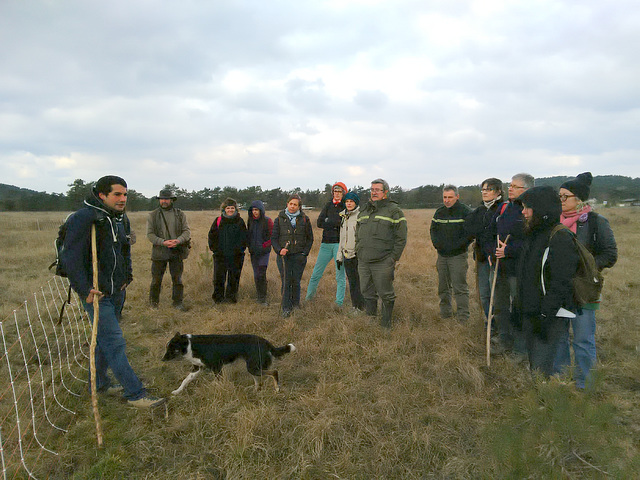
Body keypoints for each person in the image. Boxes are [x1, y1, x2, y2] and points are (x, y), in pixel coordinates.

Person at [61, 175, 165, 408]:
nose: (122, 199)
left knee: (104, 341)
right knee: (115, 342)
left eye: (125, 194)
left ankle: (98, 384)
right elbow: (71, 258)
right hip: (96, 293)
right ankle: (135, 394)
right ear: (101, 195)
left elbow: (124, 249)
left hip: (117, 290)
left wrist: (127, 276)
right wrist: (84, 288)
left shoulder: (119, 218)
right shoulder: (85, 218)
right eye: (117, 194)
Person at [554, 172, 617, 389]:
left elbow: (610, 255)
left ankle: (585, 387)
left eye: (565, 196)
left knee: (582, 339)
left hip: (583, 289)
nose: (560, 200)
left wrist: (585, 267)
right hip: (559, 289)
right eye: (559, 196)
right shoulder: (554, 222)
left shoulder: (596, 222)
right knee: (559, 337)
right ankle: (560, 382)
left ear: (578, 198)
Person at [516, 186, 579, 377]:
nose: (523, 212)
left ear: (542, 210)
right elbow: (527, 277)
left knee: (544, 367)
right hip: (531, 313)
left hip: (547, 317)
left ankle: (547, 402)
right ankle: (540, 399)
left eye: (528, 207)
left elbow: (561, 283)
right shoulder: (532, 236)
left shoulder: (559, 238)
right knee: (536, 364)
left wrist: (545, 315)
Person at [490, 173, 534, 357]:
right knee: (500, 305)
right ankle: (504, 339)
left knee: (518, 307)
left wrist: (508, 251)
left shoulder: (530, 211)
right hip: (501, 268)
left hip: (519, 270)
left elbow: (531, 242)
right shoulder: (506, 208)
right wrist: (494, 251)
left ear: (527, 190)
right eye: (510, 185)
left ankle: (521, 348)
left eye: (515, 186)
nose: (510, 189)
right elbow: (497, 234)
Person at [356, 179, 407, 328]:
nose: (374, 192)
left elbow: (401, 237)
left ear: (385, 193)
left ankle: (386, 324)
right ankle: (371, 319)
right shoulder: (364, 210)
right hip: (364, 260)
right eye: (372, 189)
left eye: (378, 189)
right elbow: (357, 232)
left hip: (383, 261)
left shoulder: (394, 211)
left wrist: (392, 258)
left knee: (386, 293)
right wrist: (359, 248)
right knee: (366, 291)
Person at [430, 185, 472, 322]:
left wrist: (456, 247)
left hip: (458, 256)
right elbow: (433, 230)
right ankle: (445, 314)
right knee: (443, 287)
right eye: (445, 197)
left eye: (450, 197)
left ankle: (463, 317)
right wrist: (438, 245)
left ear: (457, 197)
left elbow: (469, 235)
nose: (447, 200)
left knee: (460, 287)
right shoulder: (439, 212)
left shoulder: (465, 212)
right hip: (442, 256)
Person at [466, 178, 505, 322]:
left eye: (489, 189)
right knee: (484, 294)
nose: (485, 192)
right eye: (483, 189)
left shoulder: (503, 208)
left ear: (499, 191)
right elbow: (470, 228)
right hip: (482, 258)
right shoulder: (481, 209)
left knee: (497, 294)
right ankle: (489, 322)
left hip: (496, 259)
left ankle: (500, 325)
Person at [146, 188, 191, 311]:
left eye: (166, 199)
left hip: (176, 252)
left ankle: (177, 303)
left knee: (177, 279)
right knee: (156, 280)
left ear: (172, 200)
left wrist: (178, 241)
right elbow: (150, 234)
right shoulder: (153, 215)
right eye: (162, 199)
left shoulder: (180, 214)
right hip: (159, 253)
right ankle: (153, 304)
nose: (164, 201)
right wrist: (163, 242)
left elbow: (186, 231)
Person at [305, 182, 348, 307]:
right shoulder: (328, 205)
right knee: (316, 274)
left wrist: (329, 221)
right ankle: (309, 298)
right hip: (325, 244)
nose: (337, 194)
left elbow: (344, 224)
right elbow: (319, 222)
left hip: (339, 245)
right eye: (335, 191)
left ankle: (339, 303)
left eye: (339, 192)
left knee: (340, 276)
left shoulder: (346, 206)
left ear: (343, 193)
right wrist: (335, 222)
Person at [271, 194, 314, 317]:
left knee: (296, 281)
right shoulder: (279, 219)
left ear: (299, 207)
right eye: (291, 204)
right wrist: (279, 250)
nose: (292, 206)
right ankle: (286, 307)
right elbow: (274, 238)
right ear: (287, 204)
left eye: (295, 204)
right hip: (284, 256)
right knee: (286, 280)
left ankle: (295, 305)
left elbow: (310, 238)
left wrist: (304, 253)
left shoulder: (305, 219)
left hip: (299, 256)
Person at [208, 198, 247, 304]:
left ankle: (231, 298)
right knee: (218, 278)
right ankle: (218, 299)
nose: (230, 210)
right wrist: (215, 250)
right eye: (228, 208)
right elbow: (212, 236)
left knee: (234, 278)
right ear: (224, 209)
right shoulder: (218, 221)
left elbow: (244, 237)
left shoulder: (240, 221)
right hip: (220, 255)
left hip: (236, 256)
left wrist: (240, 250)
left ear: (236, 209)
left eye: (232, 208)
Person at [336, 191, 365, 312]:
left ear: (356, 203)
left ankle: (363, 307)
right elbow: (342, 237)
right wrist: (339, 256)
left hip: (357, 255)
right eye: (347, 201)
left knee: (361, 283)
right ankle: (355, 306)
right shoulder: (343, 216)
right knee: (352, 283)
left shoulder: (360, 216)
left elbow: (362, 237)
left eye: (351, 201)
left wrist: (360, 253)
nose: (348, 204)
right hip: (346, 254)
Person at [247, 200, 274, 305]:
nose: (255, 212)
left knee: (261, 273)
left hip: (264, 252)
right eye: (253, 210)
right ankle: (259, 296)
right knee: (256, 274)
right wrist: (249, 246)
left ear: (261, 210)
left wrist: (263, 245)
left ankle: (263, 298)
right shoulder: (250, 221)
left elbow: (272, 237)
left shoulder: (268, 221)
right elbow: (248, 235)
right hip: (253, 252)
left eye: (257, 210)